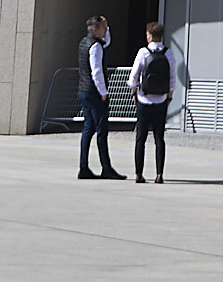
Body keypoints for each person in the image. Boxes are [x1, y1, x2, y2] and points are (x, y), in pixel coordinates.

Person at [129, 19, 187, 183]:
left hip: (144, 99)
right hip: (161, 100)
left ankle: (139, 174)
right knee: (159, 138)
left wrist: (134, 92)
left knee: (140, 139)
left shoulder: (143, 52)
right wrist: (169, 97)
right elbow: (172, 79)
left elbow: (133, 77)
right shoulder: (168, 53)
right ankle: (159, 174)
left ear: (150, 35)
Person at [75, 14, 118, 180]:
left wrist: (107, 26)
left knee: (88, 128)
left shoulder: (84, 42)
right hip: (94, 92)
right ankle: (106, 167)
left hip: (83, 90)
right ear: (95, 29)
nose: (105, 30)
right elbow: (97, 71)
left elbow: (107, 41)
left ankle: (83, 166)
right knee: (101, 130)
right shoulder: (96, 46)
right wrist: (103, 92)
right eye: (103, 28)